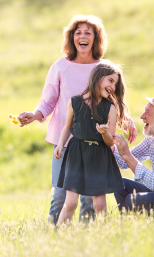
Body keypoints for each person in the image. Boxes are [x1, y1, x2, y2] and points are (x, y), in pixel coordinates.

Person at [17, 14, 137, 224]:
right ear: (72, 38)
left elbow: (116, 98)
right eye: (77, 32)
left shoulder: (104, 69)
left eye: (87, 33)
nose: (82, 36)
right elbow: (48, 99)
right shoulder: (60, 67)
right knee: (61, 195)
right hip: (65, 142)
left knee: (90, 199)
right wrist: (35, 115)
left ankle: (85, 239)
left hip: (95, 143)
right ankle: (55, 237)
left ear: (96, 38)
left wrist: (127, 118)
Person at [54, 61, 127, 225]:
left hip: (99, 155)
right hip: (76, 154)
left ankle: (104, 235)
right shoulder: (75, 102)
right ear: (98, 78)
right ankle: (57, 234)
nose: (113, 86)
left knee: (100, 204)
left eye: (116, 84)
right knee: (71, 202)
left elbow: (110, 142)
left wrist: (105, 133)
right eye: (110, 81)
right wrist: (60, 145)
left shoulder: (110, 108)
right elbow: (67, 127)